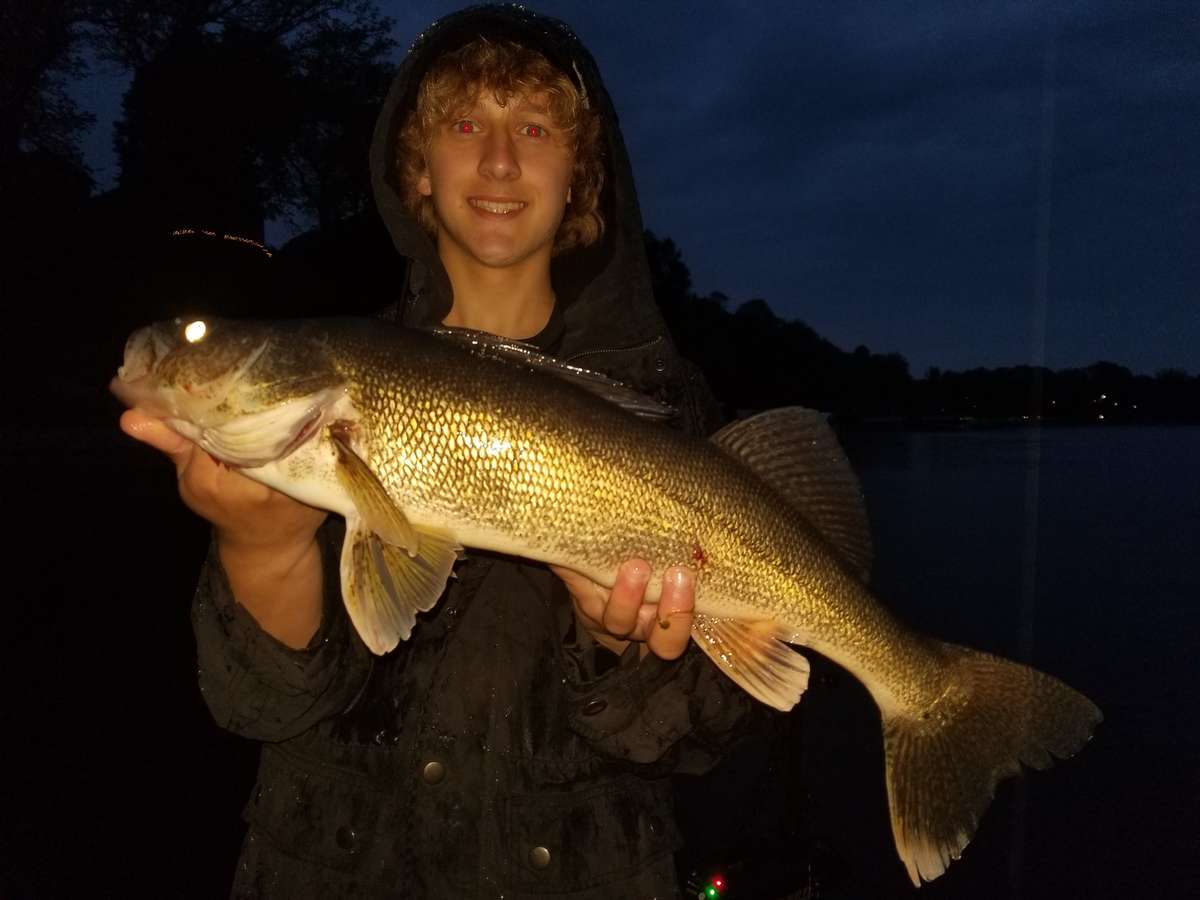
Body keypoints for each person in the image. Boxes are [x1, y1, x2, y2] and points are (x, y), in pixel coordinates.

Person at [120, 5, 757, 897]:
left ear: (583, 174)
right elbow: (257, 707)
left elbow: (703, 741)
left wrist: (615, 649)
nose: (499, 160)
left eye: (534, 128)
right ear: (415, 169)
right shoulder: (327, 392)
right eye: (465, 125)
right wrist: (259, 548)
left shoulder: (673, 411)